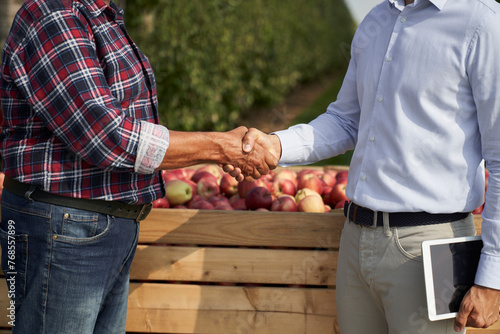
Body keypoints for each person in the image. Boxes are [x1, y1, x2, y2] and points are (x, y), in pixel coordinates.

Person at [0, 0, 277, 333]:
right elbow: (106, 134)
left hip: (101, 227)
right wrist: (220, 146)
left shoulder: (104, 17)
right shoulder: (56, 14)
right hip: (66, 228)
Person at [229, 0, 500, 332]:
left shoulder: (481, 22)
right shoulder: (378, 19)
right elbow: (345, 121)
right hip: (356, 240)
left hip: (430, 248)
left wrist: (493, 277)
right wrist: (276, 144)